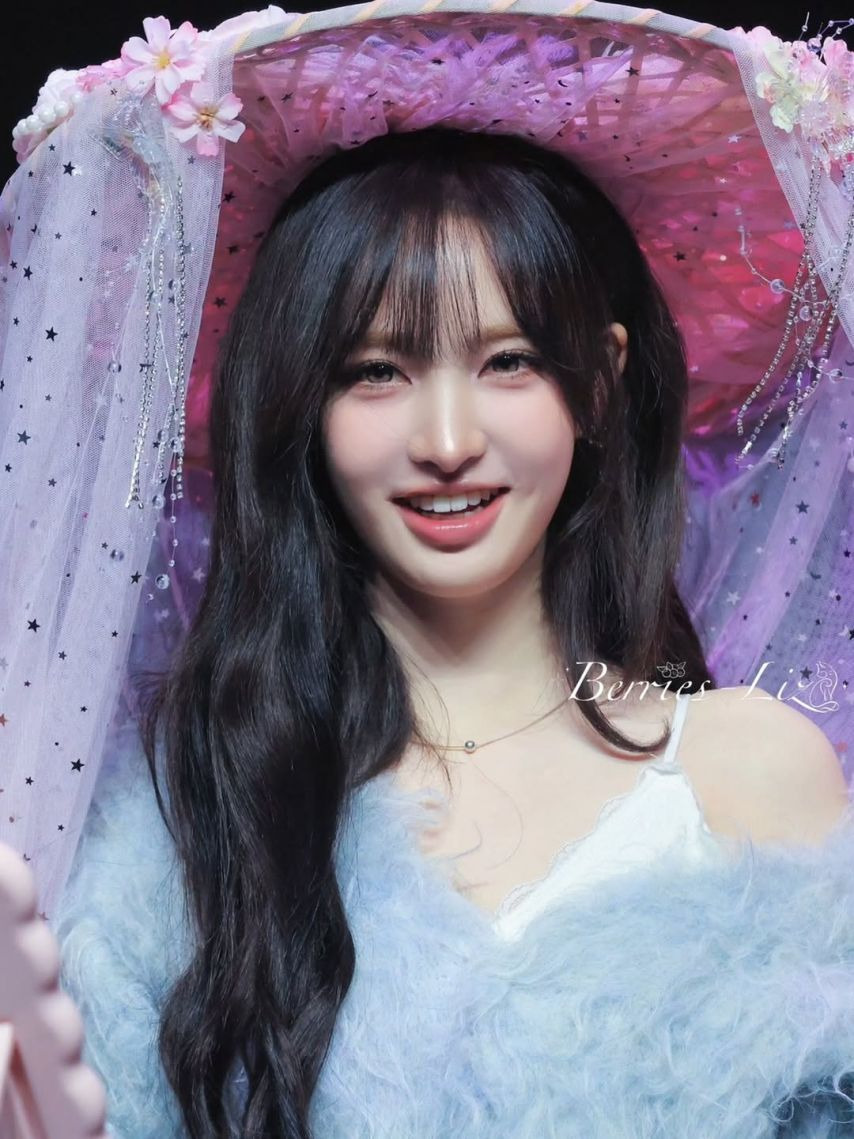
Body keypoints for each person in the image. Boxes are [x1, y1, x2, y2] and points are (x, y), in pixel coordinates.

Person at [2, 4, 853, 1137]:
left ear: (599, 384)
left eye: (508, 361)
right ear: (301, 404)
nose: (447, 440)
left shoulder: (746, 776)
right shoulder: (195, 819)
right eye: (376, 371)